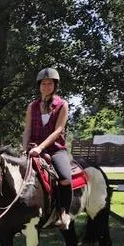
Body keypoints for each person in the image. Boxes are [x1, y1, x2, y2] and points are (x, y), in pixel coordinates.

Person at [23, 67, 72, 229]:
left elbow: (58, 130)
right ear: (39, 85)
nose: (46, 86)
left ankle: (63, 212)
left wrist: (41, 147)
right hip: (33, 148)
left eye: (49, 83)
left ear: (55, 85)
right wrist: (25, 149)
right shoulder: (32, 106)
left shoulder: (62, 105)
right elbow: (28, 130)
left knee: (65, 177)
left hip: (55, 149)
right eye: (43, 83)